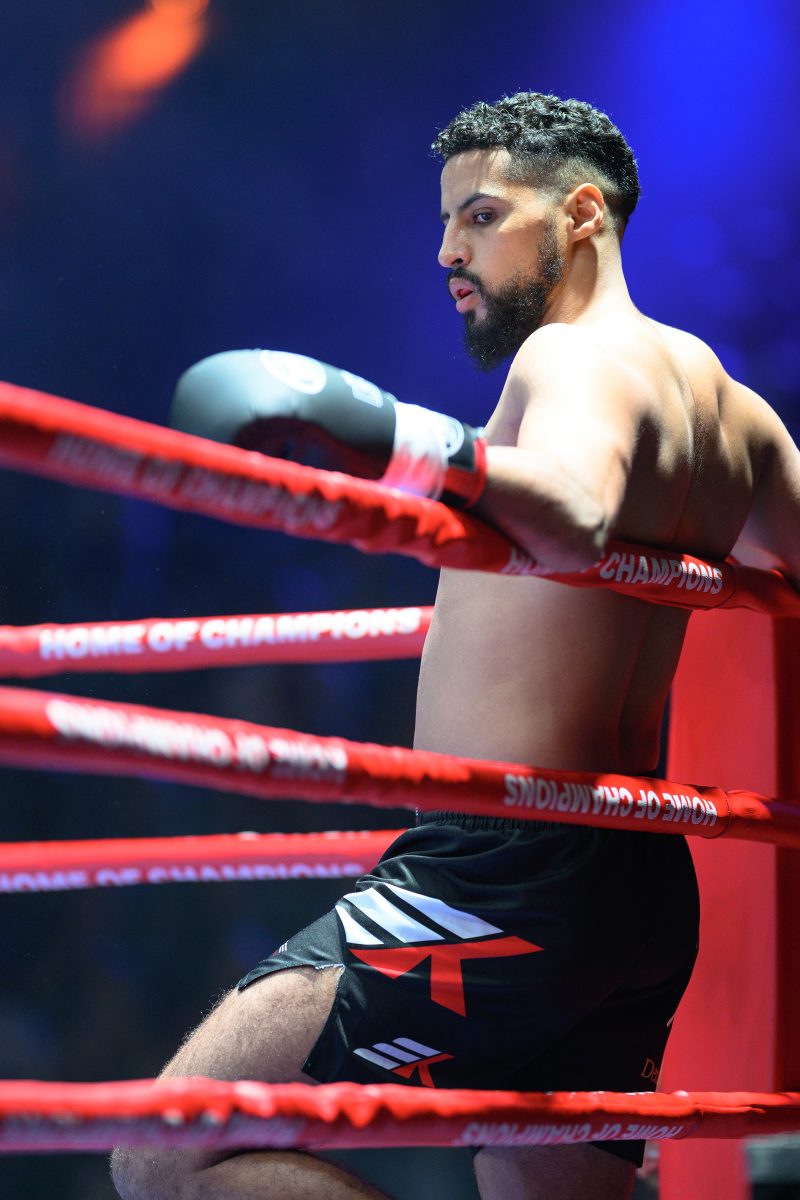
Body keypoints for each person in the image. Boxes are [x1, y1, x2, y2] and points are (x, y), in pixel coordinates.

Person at [111, 92, 800, 1200]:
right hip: (636, 880)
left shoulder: (568, 364)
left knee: (161, 1153)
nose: (447, 251)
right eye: (444, 223)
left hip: (498, 875)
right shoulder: (733, 410)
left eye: (480, 216)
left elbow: (572, 507)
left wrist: (395, 439)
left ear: (582, 213)